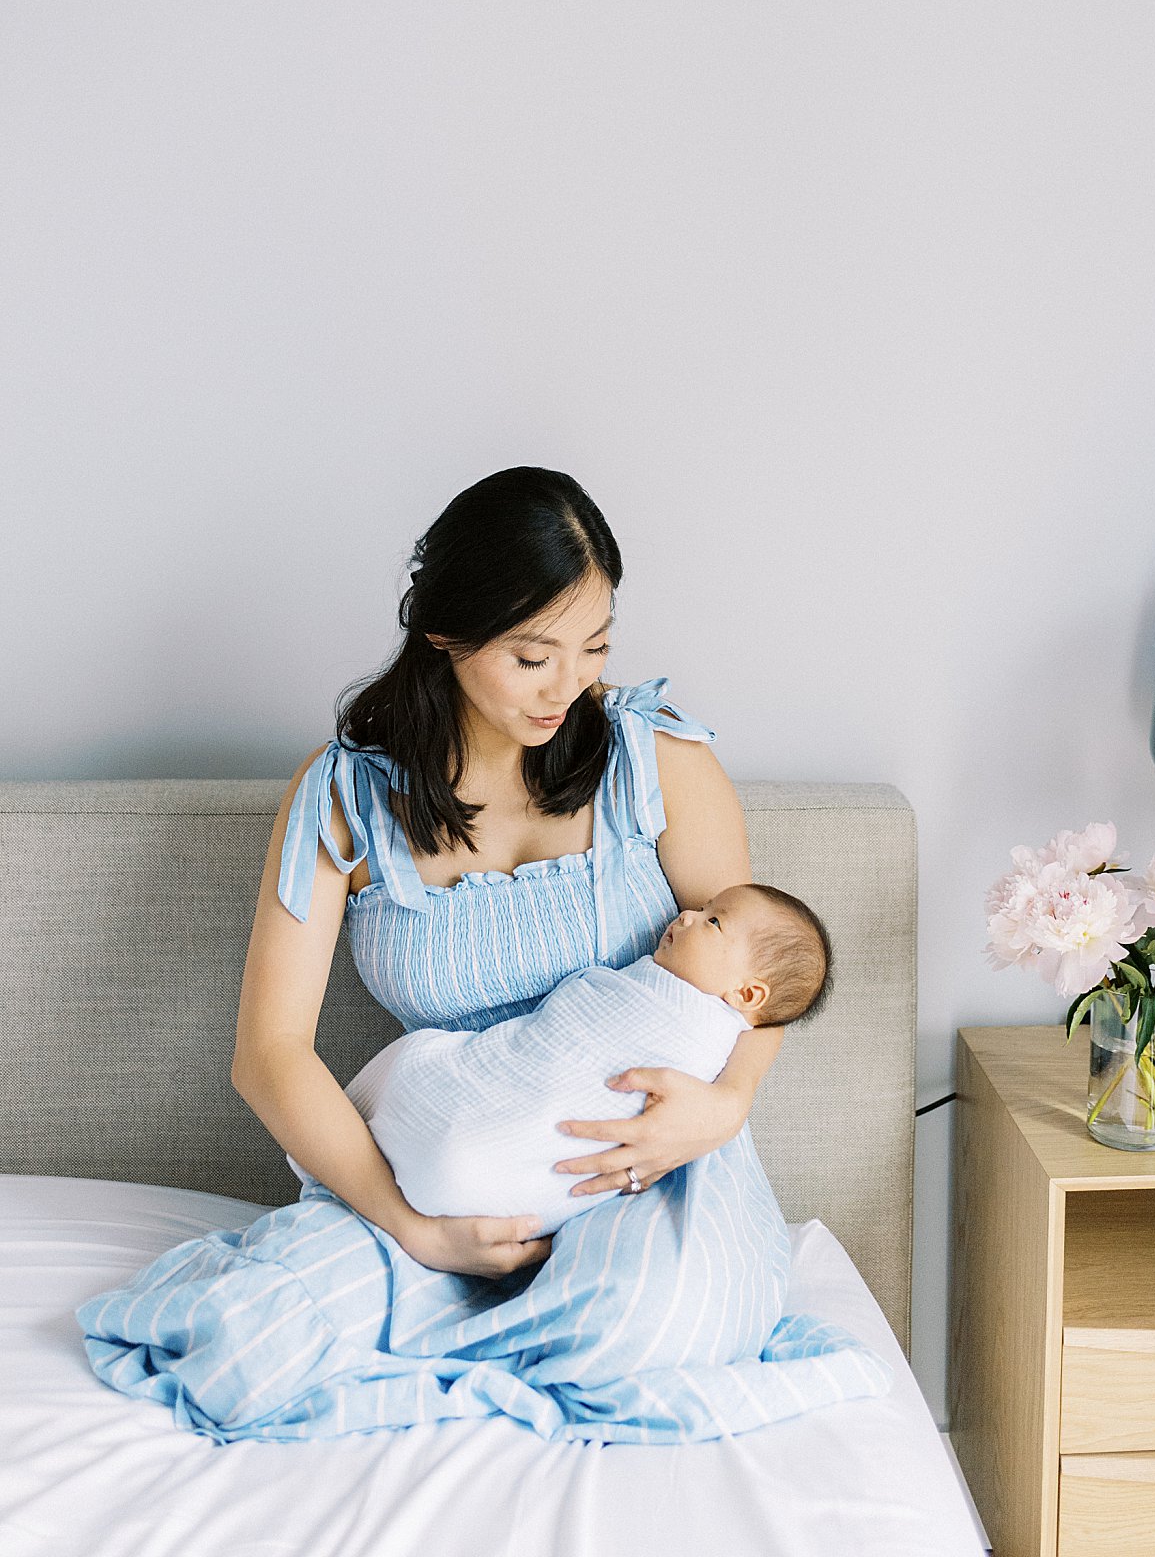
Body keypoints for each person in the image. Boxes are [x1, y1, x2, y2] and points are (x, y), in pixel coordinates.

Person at [78, 467, 889, 1444]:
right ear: (448, 635)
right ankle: (460, 1330)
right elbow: (272, 1053)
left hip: (639, 1165)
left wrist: (723, 1106)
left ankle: (458, 1364)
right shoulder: (343, 796)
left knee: (650, 1322)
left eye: (593, 646)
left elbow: (751, 990)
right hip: (435, 1169)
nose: (569, 685)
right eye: (532, 655)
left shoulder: (657, 758)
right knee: (246, 1343)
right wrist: (415, 1226)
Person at [328, 883, 833, 1236]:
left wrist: (728, 1100)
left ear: (746, 993)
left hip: (621, 1167)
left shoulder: (704, 1033)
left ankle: (466, 1174)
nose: (686, 915)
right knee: (424, 1072)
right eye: (702, 908)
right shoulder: (655, 982)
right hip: (482, 1098)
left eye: (713, 921)